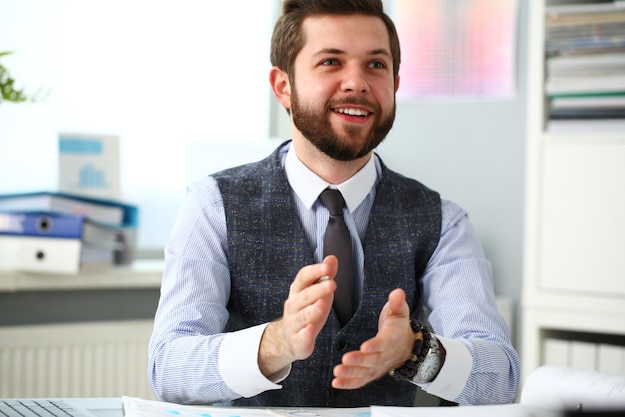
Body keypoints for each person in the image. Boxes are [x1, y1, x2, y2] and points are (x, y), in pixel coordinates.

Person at [148, 0, 520, 407]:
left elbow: (500, 377)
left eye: (376, 65)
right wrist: (277, 342)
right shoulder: (212, 206)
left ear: (395, 84)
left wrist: (416, 352)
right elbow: (167, 366)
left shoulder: (443, 221)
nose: (357, 82)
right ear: (283, 86)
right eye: (331, 62)